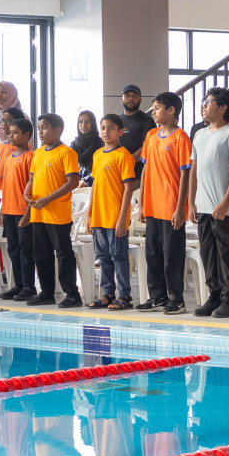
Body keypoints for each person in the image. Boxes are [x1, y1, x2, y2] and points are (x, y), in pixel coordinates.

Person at [187, 88, 229, 319]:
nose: (203, 105)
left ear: (222, 108)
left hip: (222, 207)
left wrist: (225, 203)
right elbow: (194, 169)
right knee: (208, 253)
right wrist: (191, 202)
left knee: (225, 254)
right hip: (202, 206)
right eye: (204, 102)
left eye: (209, 102)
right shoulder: (200, 134)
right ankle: (214, 296)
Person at [22, 113, 81, 308]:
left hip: (57, 214)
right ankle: (46, 292)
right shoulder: (37, 153)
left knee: (63, 254)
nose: (40, 131)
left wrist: (48, 198)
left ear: (58, 130)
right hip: (38, 213)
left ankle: (72, 294)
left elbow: (72, 182)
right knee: (41, 254)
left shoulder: (67, 153)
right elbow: (32, 178)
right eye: (39, 127)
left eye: (45, 127)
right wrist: (27, 191)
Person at [86, 114, 137, 310]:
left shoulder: (123, 155)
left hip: (115, 217)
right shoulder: (98, 155)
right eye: (103, 127)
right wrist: (89, 215)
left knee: (119, 257)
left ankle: (124, 296)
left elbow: (128, 188)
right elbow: (95, 187)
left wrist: (122, 218)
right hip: (99, 217)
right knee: (104, 258)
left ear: (120, 131)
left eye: (111, 128)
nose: (106, 131)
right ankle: (108, 293)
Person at [0, 115, 33, 300]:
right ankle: (17, 285)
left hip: (22, 212)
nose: (10, 136)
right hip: (8, 211)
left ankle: (29, 286)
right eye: (9, 133)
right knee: (13, 249)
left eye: (15, 133)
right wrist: (2, 211)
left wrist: (28, 213)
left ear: (27, 135)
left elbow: (32, 188)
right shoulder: (9, 157)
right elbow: (4, 187)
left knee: (26, 250)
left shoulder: (30, 157)